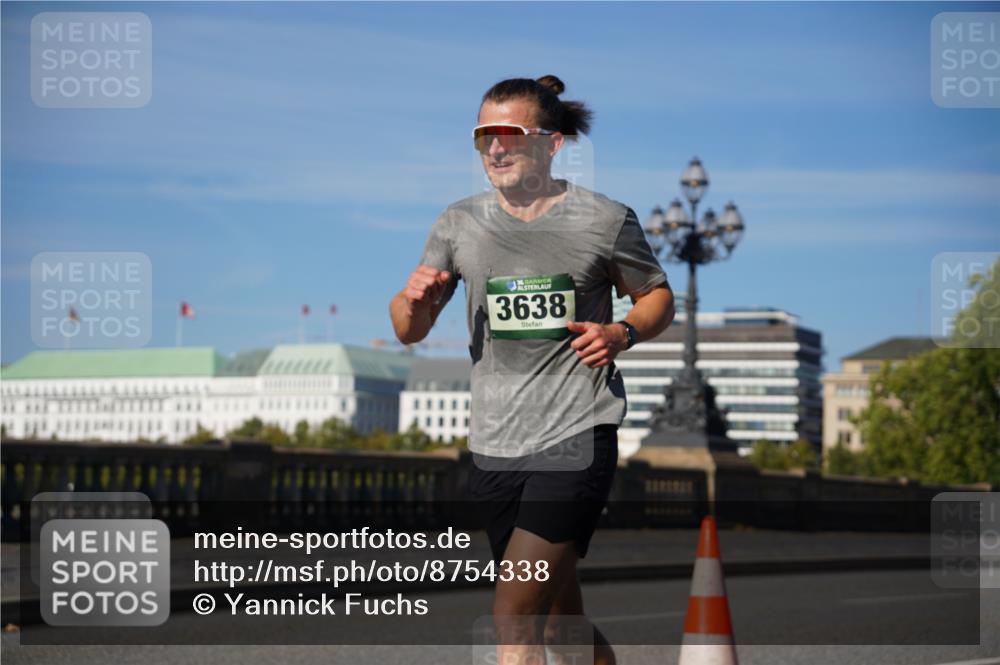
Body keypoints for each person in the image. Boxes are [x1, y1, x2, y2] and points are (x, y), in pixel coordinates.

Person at [389, 75, 675, 665]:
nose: (494, 149)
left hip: (576, 434)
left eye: (509, 135)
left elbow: (656, 297)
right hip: (496, 444)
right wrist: (412, 303)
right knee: (557, 619)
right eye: (483, 137)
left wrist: (620, 332)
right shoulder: (458, 223)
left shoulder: (604, 219)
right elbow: (408, 329)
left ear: (550, 144)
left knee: (513, 616)